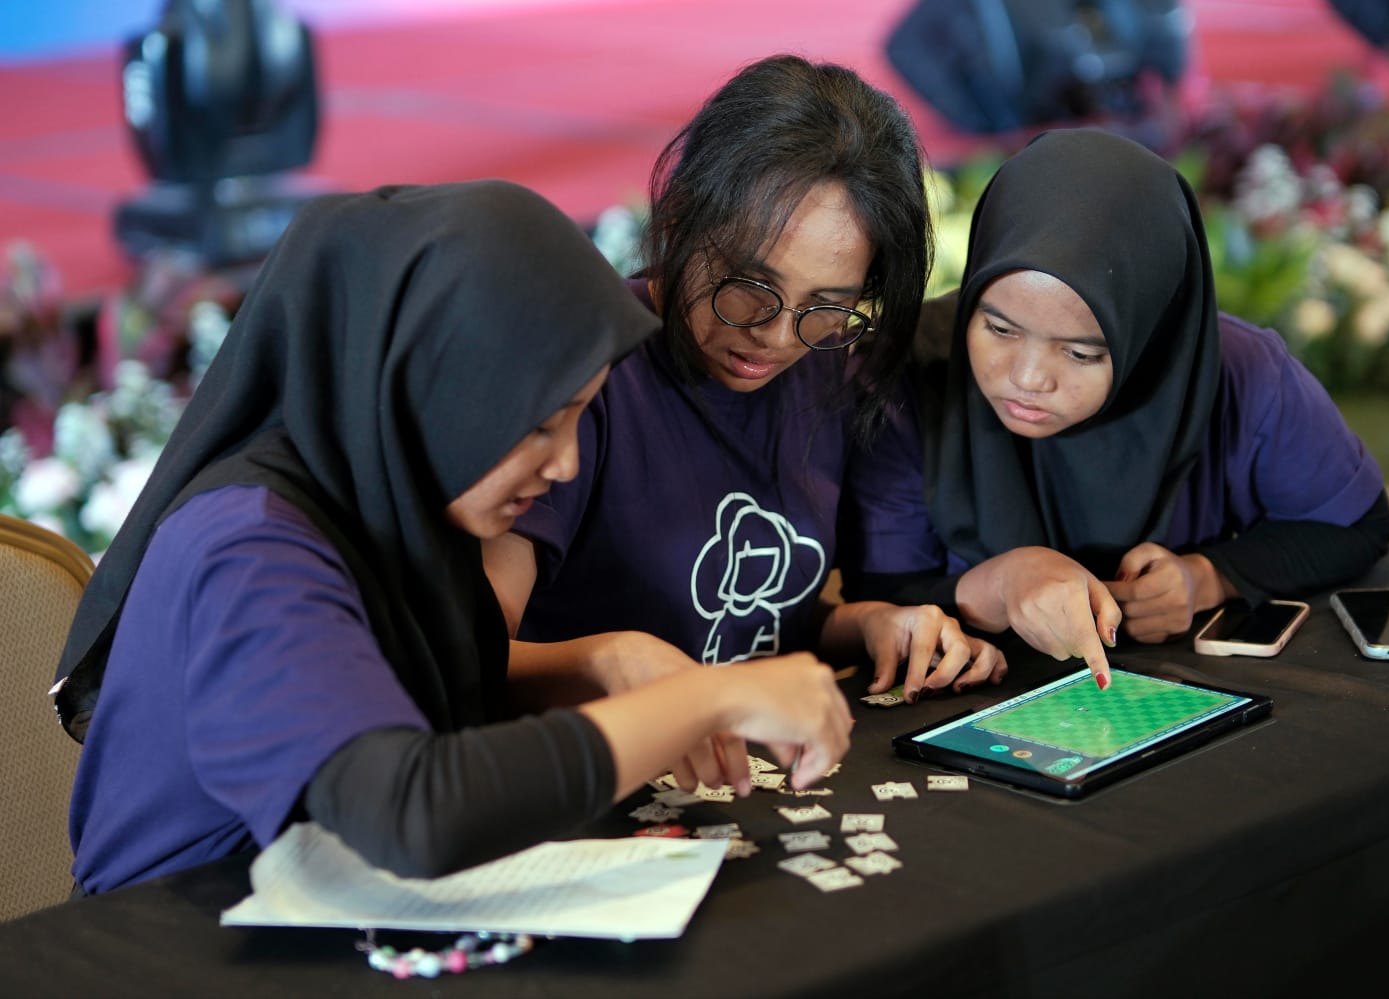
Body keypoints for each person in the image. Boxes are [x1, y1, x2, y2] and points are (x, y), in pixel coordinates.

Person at [51, 180, 853, 895]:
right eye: (539, 426)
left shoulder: (390, 496)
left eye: (580, 418)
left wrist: (604, 658)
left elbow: (417, 694)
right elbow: (409, 810)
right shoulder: (247, 547)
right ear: (427, 384)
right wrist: (705, 695)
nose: (566, 464)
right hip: (180, 944)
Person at [481, 55, 1007, 766]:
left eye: (827, 305)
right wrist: (613, 660)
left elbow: (759, 619)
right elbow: (470, 656)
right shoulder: (587, 377)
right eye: (749, 287)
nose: (777, 336)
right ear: (680, 218)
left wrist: (877, 623)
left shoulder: (831, 365)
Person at [840, 127, 1389, 687]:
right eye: (998, 327)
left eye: (1081, 352)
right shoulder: (907, 376)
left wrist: (1207, 578)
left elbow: (1355, 524)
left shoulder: (1242, 376)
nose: (1027, 378)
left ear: (1147, 340)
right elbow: (876, 596)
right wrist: (999, 586)